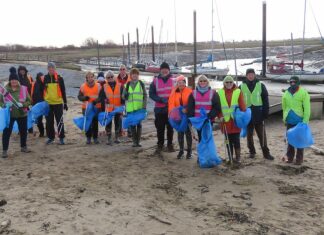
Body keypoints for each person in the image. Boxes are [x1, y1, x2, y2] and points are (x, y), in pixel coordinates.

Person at [240, 68, 274, 160]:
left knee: (262, 135)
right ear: (246, 75)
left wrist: (266, 113)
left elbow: (265, 100)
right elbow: (238, 101)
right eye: (249, 74)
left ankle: (266, 153)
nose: (250, 76)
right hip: (247, 115)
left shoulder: (261, 85)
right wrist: (240, 113)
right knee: (249, 135)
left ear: (254, 75)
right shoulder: (241, 86)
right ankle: (252, 152)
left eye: (252, 74)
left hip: (258, 114)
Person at [0, 67, 31, 158]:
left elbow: (29, 101)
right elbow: (0, 101)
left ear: (18, 81)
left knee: (23, 131)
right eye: (12, 80)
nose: (13, 81)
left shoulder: (24, 89)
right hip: (10, 116)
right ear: (10, 81)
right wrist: (4, 105)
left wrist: (23, 104)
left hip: (22, 114)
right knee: (6, 133)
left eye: (15, 80)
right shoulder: (5, 90)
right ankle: (4, 151)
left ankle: (23, 147)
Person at [282, 76, 310, 165]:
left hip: (300, 121)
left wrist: (305, 121)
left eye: (294, 82)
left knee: (300, 140)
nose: (292, 84)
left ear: (298, 83)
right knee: (290, 140)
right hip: (289, 120)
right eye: (291, 82)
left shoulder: (304, 93)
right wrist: (284, 118)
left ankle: (299, 159)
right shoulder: (286, 93)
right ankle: (289, 157)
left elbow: (307, 108)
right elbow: (284, 107)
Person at [218, 76, 246, 163]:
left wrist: (242, 115)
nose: (229, 84)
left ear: (233, 82)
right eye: (227, 82)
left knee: (236, 140)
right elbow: (218, 107)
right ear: (224, 83)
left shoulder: (238, 91)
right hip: (225, 121)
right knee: (228, 141)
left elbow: (242, 105)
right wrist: (220, 116)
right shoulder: (220, 92)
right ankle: (230, 157)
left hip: (235, 121)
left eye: (230, 82)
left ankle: (238, 158)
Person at [149, 62, 175, 153]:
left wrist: (171, 101)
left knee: (170, 128)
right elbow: (151, 93)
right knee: (160, 128)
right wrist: (159, 99)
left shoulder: (174, 80)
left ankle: (170, 145)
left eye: (166, 69)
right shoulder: (155, 81)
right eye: (163, 69)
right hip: (159, 108)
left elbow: (178, 93)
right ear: (160, 70)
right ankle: (160, 144)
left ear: (169, 70)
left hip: (170, 108)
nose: (164, 70)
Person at [187, 75, 221, 142]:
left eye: (205, 81)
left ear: (207, 82)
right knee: (200, 138)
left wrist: (210, 116)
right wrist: (191, 120)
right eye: (201, 81)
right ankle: (202, 152)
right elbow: (190, 107)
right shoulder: (193, 93)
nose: (203, 82)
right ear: (198, 82)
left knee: (208, 138)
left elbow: (217, 107)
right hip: (198, 121)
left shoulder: (213, 93)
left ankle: (207, 152)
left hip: (208, 120)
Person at [42, 62, 68, 145]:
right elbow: (42, 91)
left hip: (58, 103)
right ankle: (51, 137)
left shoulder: (60, 78)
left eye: (52, 68)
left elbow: (63, 91)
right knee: (49, 122)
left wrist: (65, 102)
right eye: (49, 68)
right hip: (48, 103)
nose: (51, 69)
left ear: (55, 69)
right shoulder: (44, 78)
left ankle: (61, 138)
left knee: (59, 121)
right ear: (47, 69)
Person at [168, 75, 193, 159]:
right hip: (178, 116)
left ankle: (189, 151)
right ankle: (181, 151)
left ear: (185, 83)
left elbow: (192, 103)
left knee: (188, 133)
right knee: (180, 133)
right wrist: (172, 114)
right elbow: (171, 104)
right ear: (177, 84)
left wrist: (187, 110)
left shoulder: (189, 91)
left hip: (187, 115)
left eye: (182, 82)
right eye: (179, 83)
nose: (181, 84)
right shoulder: (174, 92)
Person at [122, 68, 147, 147]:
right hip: (130, 109)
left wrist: (144, 106)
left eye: (136, 74)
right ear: (131, 76)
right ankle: (134, 142)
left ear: (138, 75)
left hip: (139, 109)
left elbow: (145, 96)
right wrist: (125, 95)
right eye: (133, 74)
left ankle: (138, 141)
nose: (135, 75)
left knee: (139, 125)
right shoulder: (127, 85)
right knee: (132, 125)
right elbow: (123, 97)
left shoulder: (141, 84)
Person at [78, 72, 102, 144]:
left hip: (96, 107)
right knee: (87, 123)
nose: (90, 78)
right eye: (88, 77)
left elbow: (101, 96)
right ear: (86, 78)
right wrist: (84, 98)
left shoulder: (98, 86)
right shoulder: (83, 86)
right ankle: (88, 138)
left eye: (91, 77)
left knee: (95, 123)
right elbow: (79, 97)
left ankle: (95, 138)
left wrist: (96, 101)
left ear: (94, 77)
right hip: (86, 108)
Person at [101, 70, 124, 145]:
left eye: (111, 76)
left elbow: (123, 96)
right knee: (108, 123)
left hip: (118, 108)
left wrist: (123, 105)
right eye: (108, 77)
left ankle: (117, 137)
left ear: (114, 77)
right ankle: (109, 138)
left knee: (117, 122)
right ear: (106, 78)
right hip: (108, 108)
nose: (110, 78)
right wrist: (104, 99)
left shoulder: (120, 85)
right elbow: (101, 97)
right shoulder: (104, 86)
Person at [31, 72, 45, 137]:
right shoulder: (34, 84)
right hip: (35, 104)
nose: (41, 78)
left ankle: (42, 132)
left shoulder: (44, 84)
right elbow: (32, 93)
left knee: (41, 120)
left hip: (43, 104)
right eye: (40, 77)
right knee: (36, 119)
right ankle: (40, 132)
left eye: (41, 76)